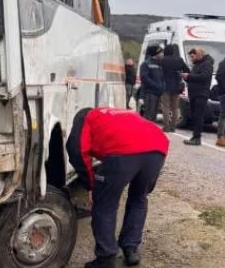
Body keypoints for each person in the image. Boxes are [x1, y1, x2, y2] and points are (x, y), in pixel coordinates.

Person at [66, 107, 169, 268]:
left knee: (105, 204)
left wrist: (90, 184)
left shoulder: (85, 118)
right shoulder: (116, 114)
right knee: (139, 199)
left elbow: (77, 150)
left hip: (123, 151)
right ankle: (131, 248)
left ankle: (106, 257)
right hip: (158, 147)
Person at [182, 48, 214, 146]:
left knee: (198, 116)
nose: (191, 59)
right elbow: (194, 78)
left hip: (201, 94)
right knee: (194, 116)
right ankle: (194, 136)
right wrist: (186, 78)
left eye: (192, 57)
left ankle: (197, 137)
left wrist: (189, 76)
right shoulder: (197, 65)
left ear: (199, 55)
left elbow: (204, 77)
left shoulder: (207, 64)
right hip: (194, 94)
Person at [160, 44, 189, 133]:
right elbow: (187, 70)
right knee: (175, 108)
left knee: (165, 107)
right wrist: (180, 74)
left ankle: (166, 127)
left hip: (165, 86)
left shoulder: (163, 60)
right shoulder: (179, 60)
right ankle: (173, 127)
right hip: (177, 87)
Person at [139, 45, 164, 121]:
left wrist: (163, 87)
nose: (163, 54)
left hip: (158, 93)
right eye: (161, 52)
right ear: (156, 53)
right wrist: (156, 86)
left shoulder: (160, 64)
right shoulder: (146, 64)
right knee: (148, 116)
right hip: (150, 94)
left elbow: (162, 78)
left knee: (153, 117)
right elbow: (144, 78)